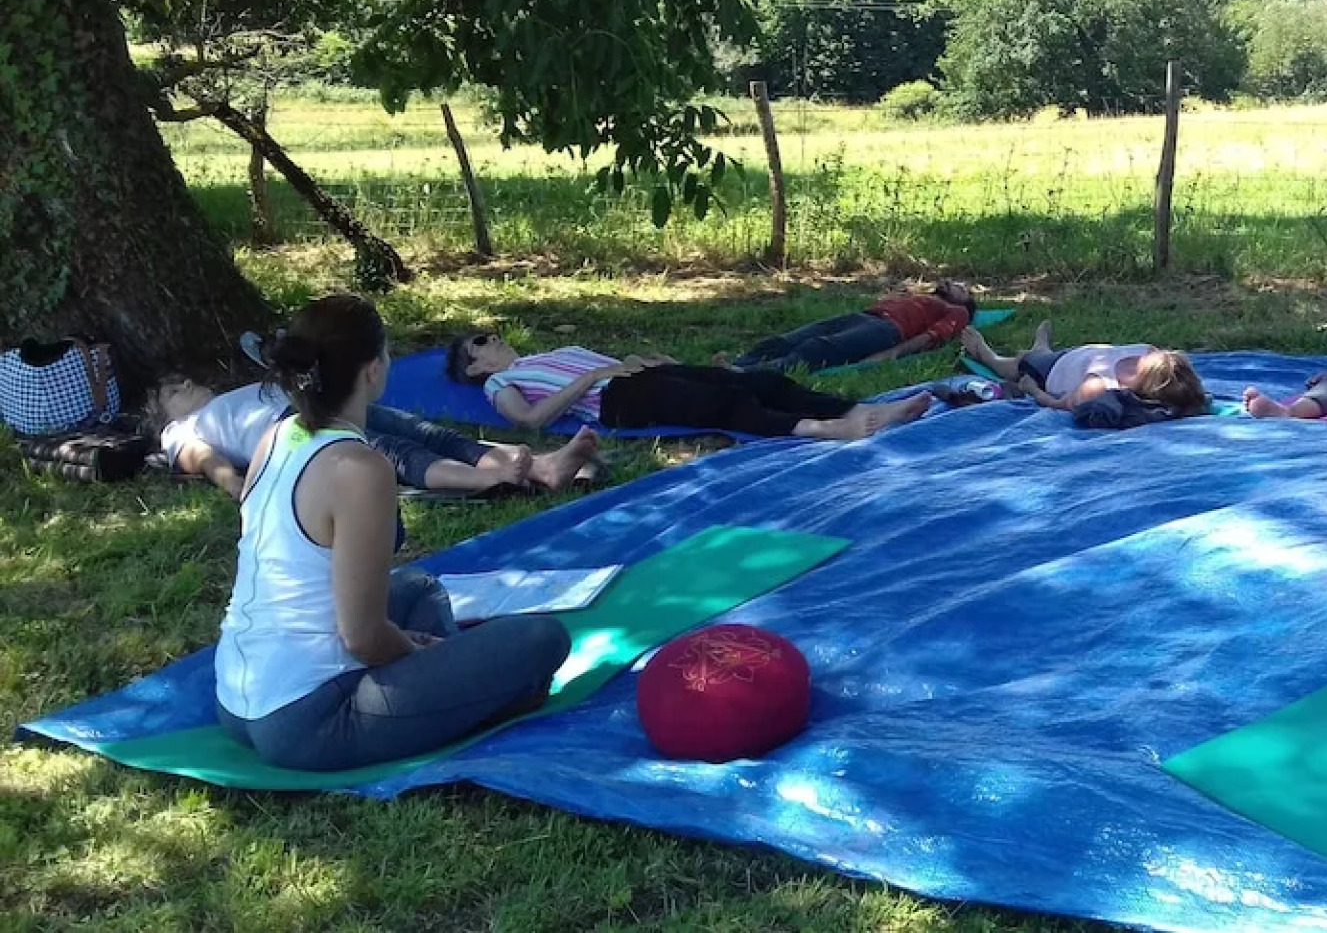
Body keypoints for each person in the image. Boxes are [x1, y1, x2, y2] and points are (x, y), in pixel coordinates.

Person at [217, 295, 571, 771]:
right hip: (309, 719)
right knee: (543, 639)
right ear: (372, 371)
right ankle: (475, 692)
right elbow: (362, 637)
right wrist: (417, 648)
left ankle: (456, 686)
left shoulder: (275, 437)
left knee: (419, 587)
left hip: (236, 699)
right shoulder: (360, 469)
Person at [151, 377, 598, 499]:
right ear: (163, 418)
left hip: (315, 401)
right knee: (393, 452)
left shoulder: (223, 398)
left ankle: (542, 467)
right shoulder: (180, 431)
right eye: (173, 391)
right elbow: (203, 457)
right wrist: (239, 488)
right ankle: (481, 480)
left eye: (184, 381)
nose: (186, 386)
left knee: (425, 431)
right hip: (294, 427)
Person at [446, 334, 932, 440]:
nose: (497, 338)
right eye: (483, 342)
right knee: (724, 402)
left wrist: (649, 361)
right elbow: (530, 421)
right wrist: (594, 378)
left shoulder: (544, 354)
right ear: (474, 369)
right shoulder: (502, 382)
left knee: (762, 379)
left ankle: (860, 408)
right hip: (616, 399)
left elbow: (611, 364)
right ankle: (827, 428)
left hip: (637, 376)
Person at [959, 321, 1210, 419]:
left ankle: (984, 352)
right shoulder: (1149, 352)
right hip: (1083, 355)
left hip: (1051, 370)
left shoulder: (1099, 387)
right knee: (1040, 353)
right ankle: (1041, 344)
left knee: (1014, 364)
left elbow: (1058, 403)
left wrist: (1032, 389)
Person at [723, 280, 978, 372]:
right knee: (792, 338)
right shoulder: (925, 298)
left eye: (963, 289)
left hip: (887, 330)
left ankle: (754, 372)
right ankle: (740, 362)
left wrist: (894, 353)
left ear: (966, 303)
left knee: (818, 348)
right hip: (865, 316)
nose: (956, 285)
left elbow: (933, 335)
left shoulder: (958, 312)